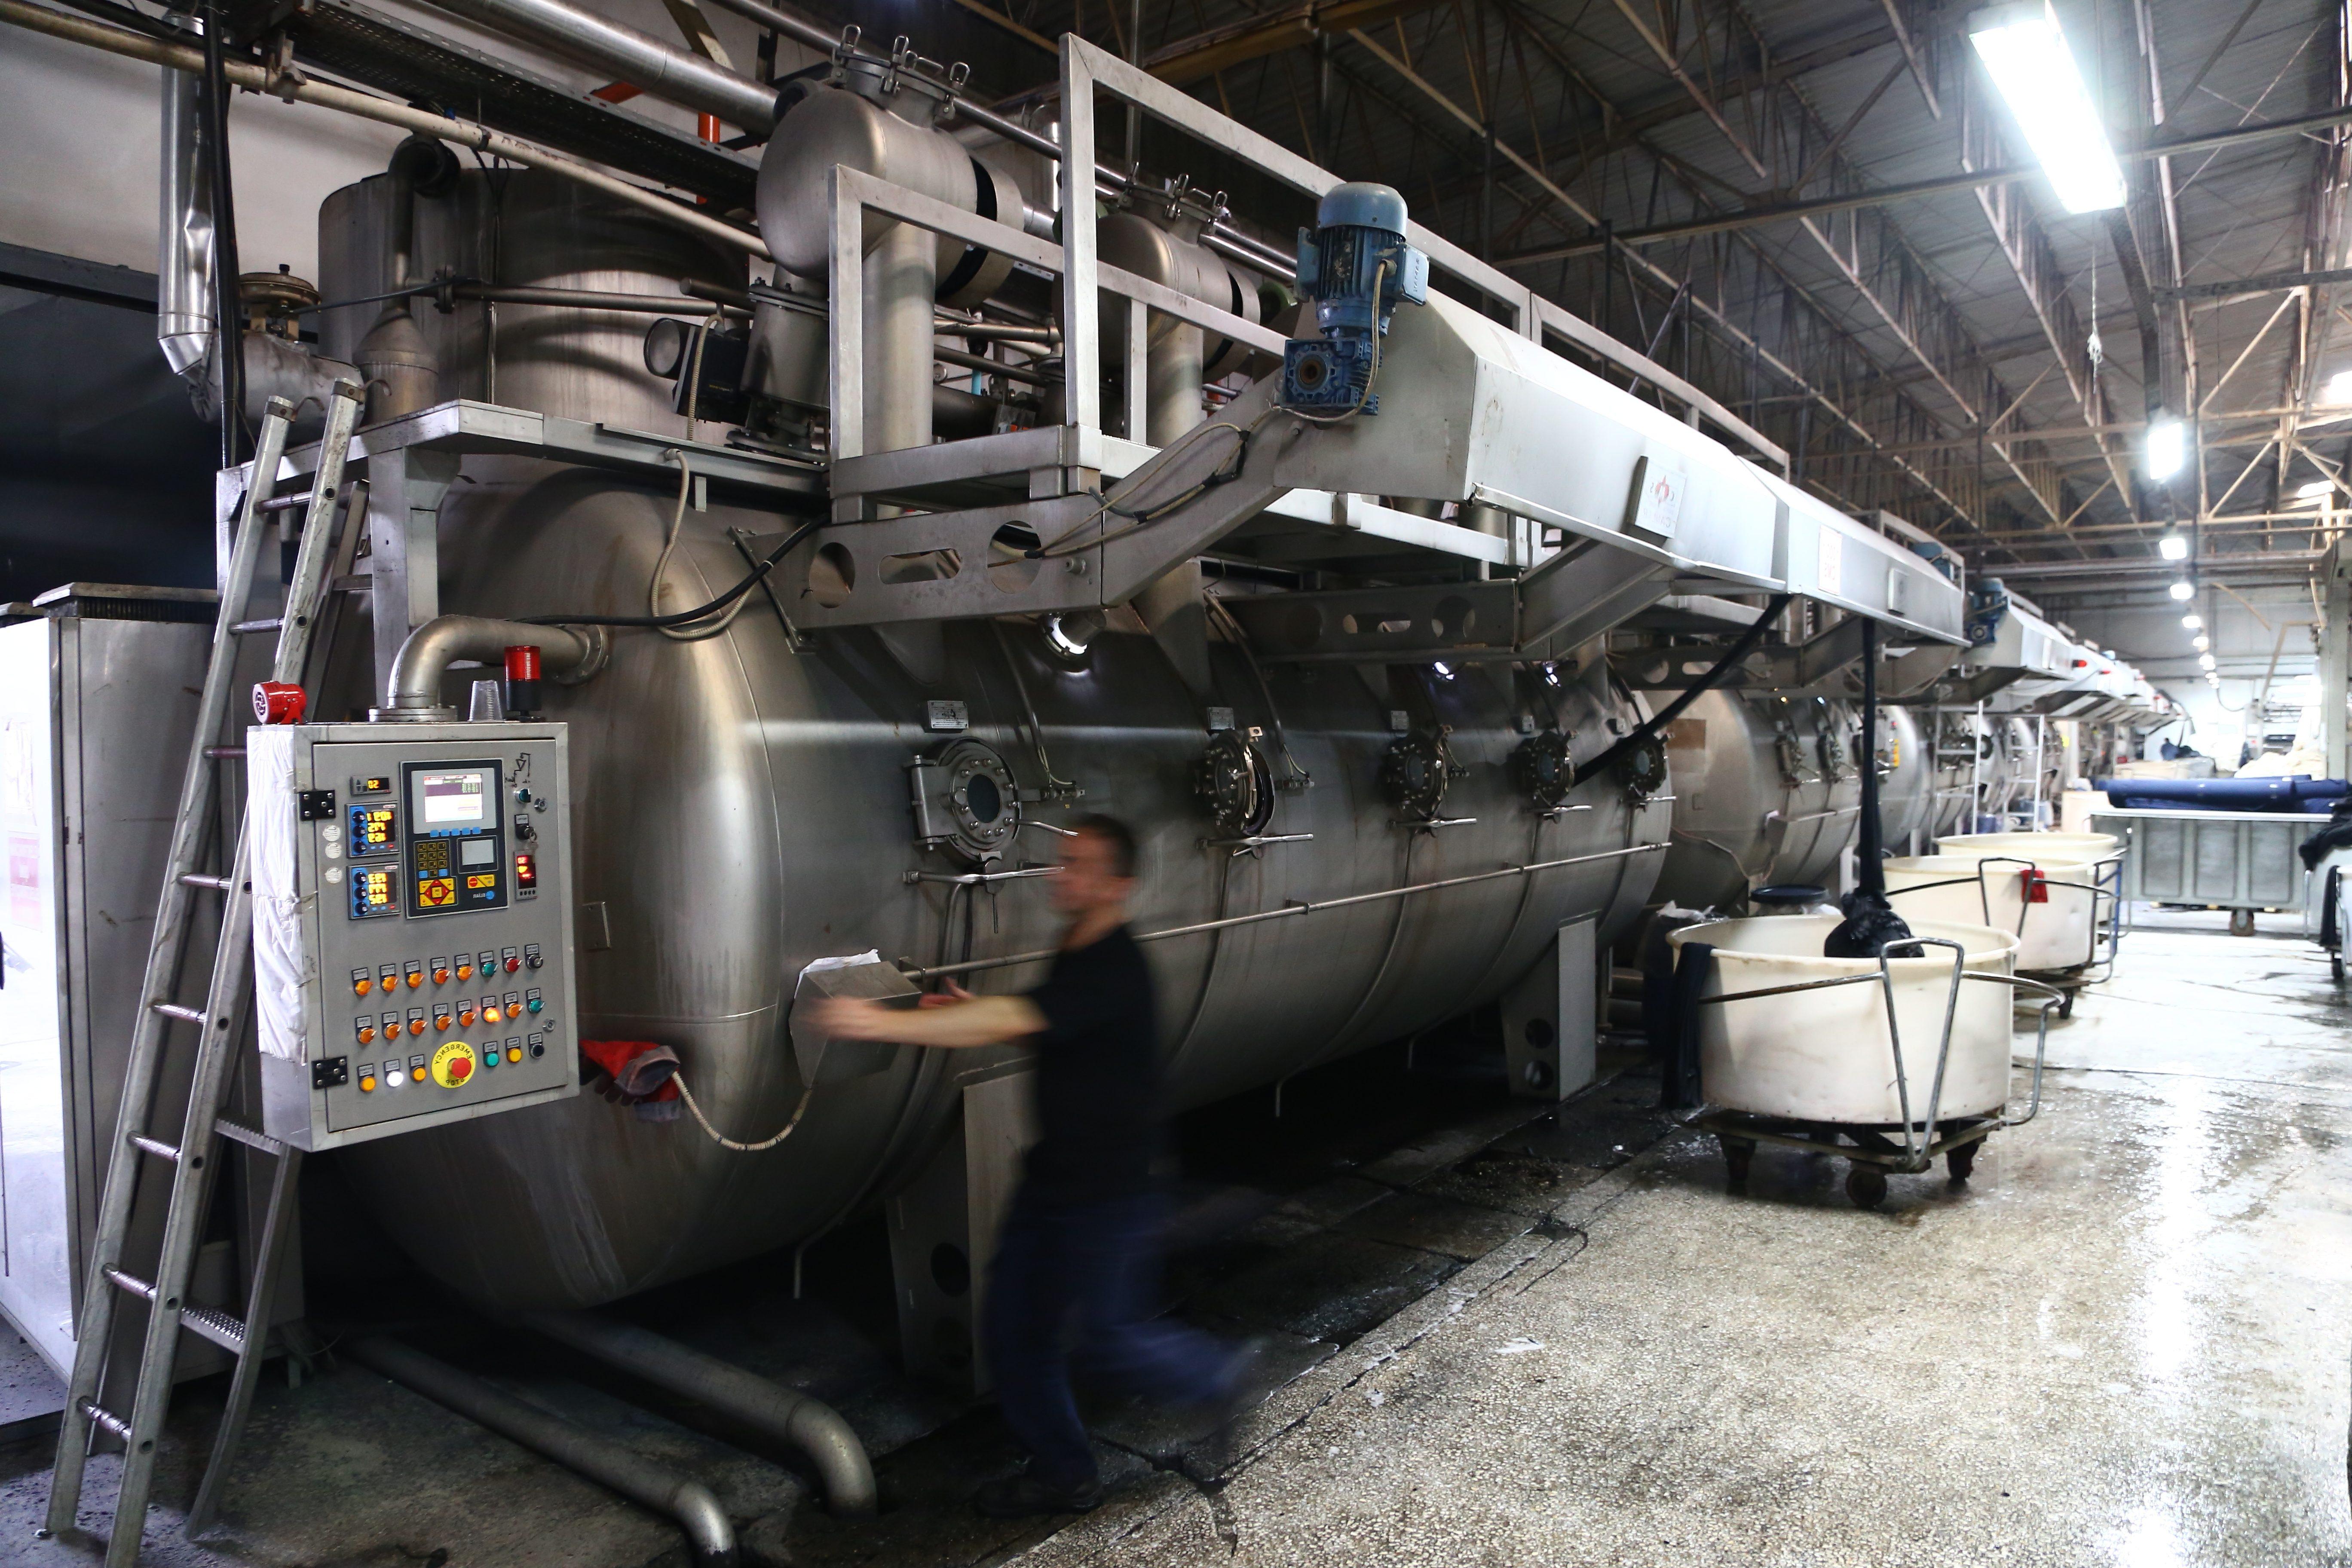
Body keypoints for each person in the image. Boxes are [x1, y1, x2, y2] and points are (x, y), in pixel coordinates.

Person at [805, 814, 1252, 1517]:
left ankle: (1214, 1377)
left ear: (1119, 886)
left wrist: (883, 1022)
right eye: (1062, 860)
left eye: (1080, 866)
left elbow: (1016, 1022)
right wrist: (976, 1007)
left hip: (1109, 1192)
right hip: (1053, 1183)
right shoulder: (1076, 944)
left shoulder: (1114, 966)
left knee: (1109, 1338)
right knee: (1015, 1335)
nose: (1060, 874)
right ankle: (1064, 1474)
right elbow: (1037, 1019)